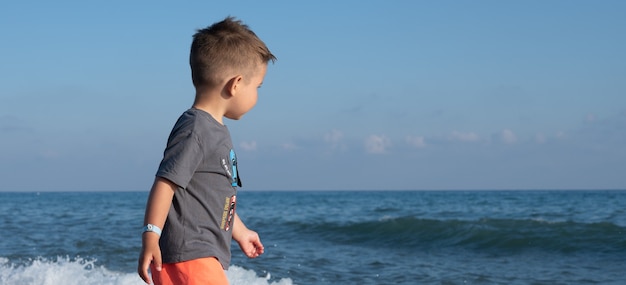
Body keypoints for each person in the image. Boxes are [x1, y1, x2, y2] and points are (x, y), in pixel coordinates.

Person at [137, 17, 276, 285]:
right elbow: (166, 183)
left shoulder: (212, 130)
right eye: (257, 87)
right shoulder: (196, 128)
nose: (258, 95)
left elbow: (212, 199)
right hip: (189, 256)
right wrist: (151, 236)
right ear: (235, 84)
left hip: (199, 257)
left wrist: (241, 231)